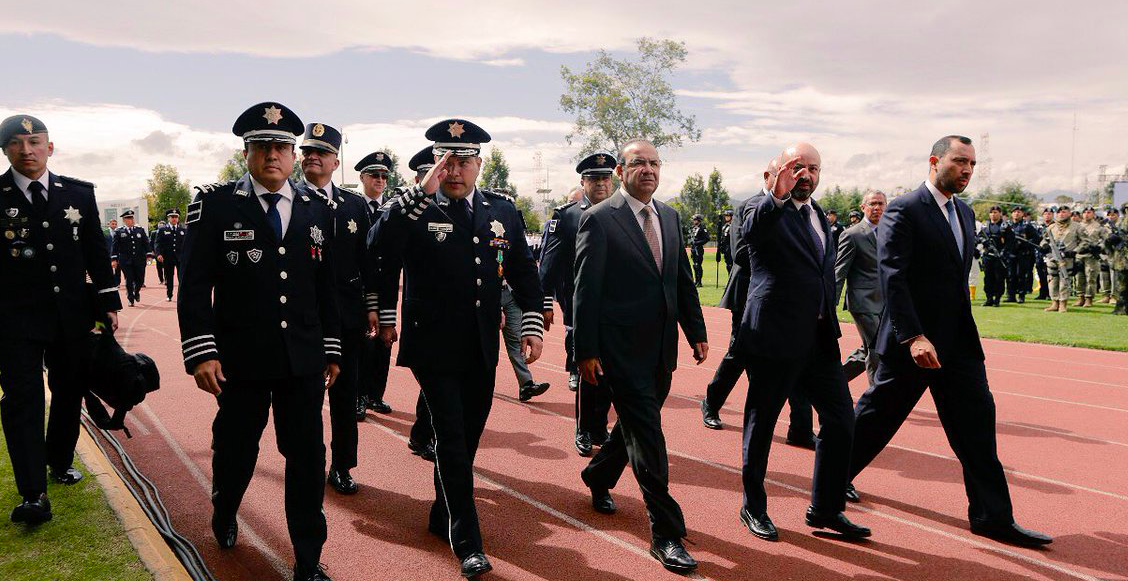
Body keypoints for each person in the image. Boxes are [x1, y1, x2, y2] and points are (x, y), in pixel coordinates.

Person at [849, 135, 1051, 548]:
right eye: (960, 161)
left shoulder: (965, 213)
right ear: (934, 161)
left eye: (973, 164)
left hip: (957, 344)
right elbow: (893, 277)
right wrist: (914, 335)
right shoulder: (903, 209)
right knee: (874, 421)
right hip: (913, 344)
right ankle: (828, 485)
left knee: (978, 427)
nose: (967, 170)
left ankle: (993, 517)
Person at [370, 119, 544, 578]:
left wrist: (531, 323)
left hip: (481, 346)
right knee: (449, 435)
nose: (454, 170)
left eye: (463, 161)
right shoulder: (414, 208)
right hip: (433, 346)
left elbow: (523, 270)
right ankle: (467, 540)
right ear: (434, 166)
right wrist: (419, 192)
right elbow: (379, 246)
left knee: (467, 438)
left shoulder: (500, 211)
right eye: (445, 161)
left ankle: (439, 514)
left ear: (479, 165)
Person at [178, 102, 340, 581]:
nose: (272, 155)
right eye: (262, 147)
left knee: (308, 458)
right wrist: (201, 350)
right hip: (240, 361)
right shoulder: (217, 206)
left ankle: (308, 557)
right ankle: (225, 508)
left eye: (281, 147)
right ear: (246, 153)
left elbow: (326, 285)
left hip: (302, 360)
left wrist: (330, 348)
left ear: (293, 155)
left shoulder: (318, 209)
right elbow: (193, 285)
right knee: (235, 450)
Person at [574, 139, 708, 573]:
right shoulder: (599, 220)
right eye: (639, 163)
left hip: (661, 350)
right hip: (618, 349)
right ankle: (665, 533)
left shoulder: (669, 216)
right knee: (649, 435)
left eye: (654, 163)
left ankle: (597, 475)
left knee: (632, 427)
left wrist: (696, 332)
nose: (648, 170)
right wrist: (587, 351)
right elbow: (586, 290)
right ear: (620, 170)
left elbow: (680, 280)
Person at [734, 142, 868, 543]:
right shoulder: (760, 210)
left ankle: (825, 509)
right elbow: (747, 243)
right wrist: (774, 196)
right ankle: (752, 506)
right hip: (774, 336)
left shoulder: (818, 216)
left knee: (842, 421)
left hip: (819, 339)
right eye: (795, 167)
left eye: (812, 168)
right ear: (775, 173)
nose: (804, 175)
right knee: (761, 425)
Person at [0, 114, 122, 524]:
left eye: (35, 141)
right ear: (5, 151)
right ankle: (33, 493)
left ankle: (58, 460)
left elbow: (95, 251)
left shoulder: (78, 193)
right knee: (22, 401)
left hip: (71, 315)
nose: (26, 149)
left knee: (69, 391)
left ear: (49, 148)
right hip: (14, 320)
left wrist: (109, 302)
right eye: (16, 143)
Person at [300, 122, 376, 496]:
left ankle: (343, 465)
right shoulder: (289, 198)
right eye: (306, 151)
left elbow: (367, 261)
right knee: (306, 400)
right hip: (304, 319)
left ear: (335, 160)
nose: (312, 157)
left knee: (345, 398)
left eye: (321, 152)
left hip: (347, 319)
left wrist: (374, 307)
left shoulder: (354, 205)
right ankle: (309, 465)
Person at [539, 152, 616, 456]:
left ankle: (600, 427)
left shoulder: (622, 211)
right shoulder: (568, 216)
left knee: (610, 372)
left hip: (617, 306)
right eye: (595, 178)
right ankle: (584, 429)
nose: (601, 183)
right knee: (588, 369)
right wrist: (542, 302)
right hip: (583, 305)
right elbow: (550, 264)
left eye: (605, 178)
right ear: (583, 182)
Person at [354, 150, 396, 417]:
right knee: (362, 344)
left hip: (385, 287)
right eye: (374, 175)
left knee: (384, 343)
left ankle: (376, 396)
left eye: (383, 176)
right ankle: (358, 395)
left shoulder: (393, 208)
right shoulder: (352, 206)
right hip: (358, 288)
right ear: (362, 178)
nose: (379, 180)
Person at [835, 189, 886, 388]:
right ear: (863, 207)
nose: (877, 208)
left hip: (886, 302)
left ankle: (833, 384)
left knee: (868, 349)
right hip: (862, 302)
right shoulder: (852, 235)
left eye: (881, 203)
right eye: (872, 203)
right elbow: (839, 273)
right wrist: (828, 305)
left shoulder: (890, 232)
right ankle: (877, 395)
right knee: (876, 350)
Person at [1041, 205, 1083, 312]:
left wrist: (1074, 251)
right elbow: (1044, 240)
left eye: (1064, 212)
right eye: (1059, 212)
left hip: (1067, 258)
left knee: (1064, 279)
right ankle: (1054, 302)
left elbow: (1085, 242)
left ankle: (1063, 303)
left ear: (1069, 213)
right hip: (1052, 258)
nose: (1061, 214)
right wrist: (1044, 246)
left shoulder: (1077, 226)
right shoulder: (1051, 227)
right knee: (1052, 279)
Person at [111, 208, 150, 306]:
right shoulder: (119, 232)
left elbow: (146, 243)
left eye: (132, 218)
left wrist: (149, 254)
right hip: (125, 260)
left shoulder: (140, 230)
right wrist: (114, 259)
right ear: (124, 220)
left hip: (139, 260)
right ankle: (130, 298)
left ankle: (136, 292)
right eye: (128, 218)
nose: (131, 220)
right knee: (129, 279)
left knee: (140, 279)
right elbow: (114, 246)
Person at [976, 205, 1012, 307]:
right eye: (991, 212)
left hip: (999, 257)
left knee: (999, 278)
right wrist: (984, 241)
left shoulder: (1005, 227)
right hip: (988, 256)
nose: (993, 214)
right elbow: (979, 237)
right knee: (988, 278)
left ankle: (997, 299)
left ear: (1000, 214)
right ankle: (989, 298)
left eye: (996, 212)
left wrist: (1004, 252)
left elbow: (1010, 242)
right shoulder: (985, 226)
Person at [1006, 206, 1040, 303]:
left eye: (1019, 212)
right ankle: (1011, 295)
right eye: (1015, 212)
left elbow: (1036, 238)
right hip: (1011, 254)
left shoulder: (1027, 226)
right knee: (1010, 275)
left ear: (1022, 214)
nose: (1017, 213)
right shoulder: (1007, 225)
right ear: (1012, 213)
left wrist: (1026, 243)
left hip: (1023, 254)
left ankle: (1021, 295)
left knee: (1021, 275)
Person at [1075, 206, 1107, 308]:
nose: (1087, 214)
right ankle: (1080, 297)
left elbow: (1106, 240)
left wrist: (1099, 247)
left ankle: (1089, 298)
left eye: (1089, 212)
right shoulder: (1077, 226)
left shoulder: (1099, 227)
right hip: (1079, 254)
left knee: (1091, 277)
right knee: (1079, 277)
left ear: (1093, 214)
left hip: (1092, 255)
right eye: (1085, 212)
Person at [153, 209, 186, 301]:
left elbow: (187, 244)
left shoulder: (183, 230)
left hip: (180, 258)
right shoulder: (162, 230)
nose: (174, 219)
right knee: (169, 277)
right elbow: (157, 243)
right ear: (168, 218)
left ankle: (182, 295)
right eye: (172, 217)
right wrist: (158, 254)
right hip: (168, 257)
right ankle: (169, 294)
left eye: (176, 217)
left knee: (182, 277)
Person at [689, 213, 710, 286]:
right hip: (693, 249)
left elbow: (707, 239)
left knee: (698, 265)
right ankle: (696, 280)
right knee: (694, 265)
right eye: (693, 220)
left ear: (699, 220)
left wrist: (697, 243)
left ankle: (699, 282)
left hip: (699, 249)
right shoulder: (693, 228)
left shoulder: (702, 228)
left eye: (695, 220)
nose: (694, 221)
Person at [718, 209, 734, 274]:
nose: (726, 217)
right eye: (725, 216)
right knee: (728, 265)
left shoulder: (733, 226)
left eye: (728, 216)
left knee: (731, 265)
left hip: (731, 247)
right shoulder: (725, 226)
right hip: (725, 247)